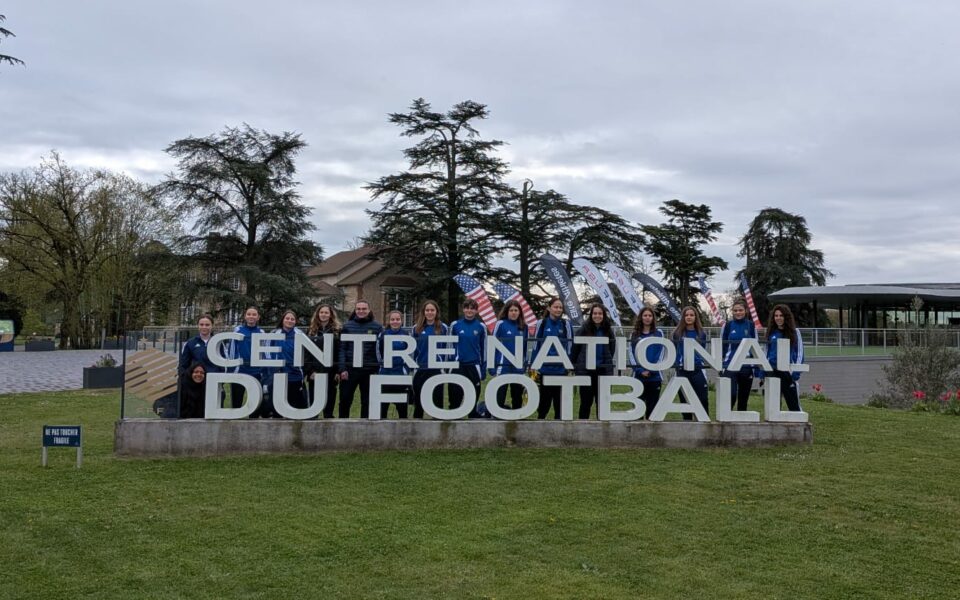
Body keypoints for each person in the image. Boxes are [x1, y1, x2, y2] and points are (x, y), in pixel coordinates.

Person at [338, 300, 383, 418]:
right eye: (358, 309)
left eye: (364, 309)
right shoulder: (347, 326)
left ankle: (365, 425)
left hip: (369, 370)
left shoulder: (377, 327)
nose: (361, 311)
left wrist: (377, 368)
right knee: (345, 399)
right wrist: (342, 368)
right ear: (355, 310)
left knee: (367, 401)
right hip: (350, 370)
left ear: (369, 310)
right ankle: (342, 424)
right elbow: (342, 349)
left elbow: (380, 349)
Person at [571, 303, 617, 419]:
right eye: (595, 313)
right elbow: (575, 349)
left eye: (600, 313)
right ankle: (583, 425)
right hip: (586, 371)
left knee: (602, 403)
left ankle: (602, 427)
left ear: (604, 315)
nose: (597, 316)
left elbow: (611, 349)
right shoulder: (583, 329)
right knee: (585, 403)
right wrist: (574, 366)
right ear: (591, 315)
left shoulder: (608, 331)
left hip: (602, 371)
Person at [532, 297, 574, 419]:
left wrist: (569, 365)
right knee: (544, 404)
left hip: (561, 370)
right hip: (545, 370)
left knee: (559, 404)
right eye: (556, 307)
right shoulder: (541, 323)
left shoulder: (566, 324)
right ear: (549, 308)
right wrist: (534, 365)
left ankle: (559, 427)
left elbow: (570, 346)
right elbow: (535, 344)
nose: (558, 309)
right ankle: (540, 425)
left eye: (560, 307)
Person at [761, 304, 805, 412]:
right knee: (773, 407)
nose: (778, 318)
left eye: (781, 315)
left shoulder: (795, 332)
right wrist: (763, 370)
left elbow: (800, 353)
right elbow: (766, 352)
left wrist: (795, 372)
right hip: (772, 371)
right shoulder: (770, 332)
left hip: (787, 372)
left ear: (786, 317)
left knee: (794, 406)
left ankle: (798, 421)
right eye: (776, 316)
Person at [411, 300, 449, 418]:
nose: (430, 312)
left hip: (437, 369)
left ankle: (438, 427)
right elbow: (412, 350)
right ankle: (417, 426)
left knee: (437, 402)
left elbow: (447, 347)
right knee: (419, 402)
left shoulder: (443, 327)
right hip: (421, 368)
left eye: (432, 310)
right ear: (424, 312)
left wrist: (444, 366)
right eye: (427, 310)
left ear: (436, 312)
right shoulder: (416, 328)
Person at [303, 303, 341, 419]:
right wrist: (310, 371)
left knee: (329, 401)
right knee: (314, 402)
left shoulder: (337, 331)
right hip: (315, 372)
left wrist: (338, 371)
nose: (323, 314)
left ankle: (328, 423)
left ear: (331, 315)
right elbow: (306, 353)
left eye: (326, 312)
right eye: (321, 312)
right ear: (318, 314)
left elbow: (339, 352)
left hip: (331, 372)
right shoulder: (311, 331)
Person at [490, 300, 528, 410]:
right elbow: (492, 345)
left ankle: (516, 418)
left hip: (518, 368)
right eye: (511, 310)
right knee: (499, 397)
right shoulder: (500, 324)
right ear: (507, 311)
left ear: (520, 312)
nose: (514, 313)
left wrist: (525, 365)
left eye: (516, 310)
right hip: (503, 367)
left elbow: (525, 348)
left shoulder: (524, 327)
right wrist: (492, 366)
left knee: (517, 398)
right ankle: (497, 417)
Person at [672, 306, 709, 420]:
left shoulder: (701, 333)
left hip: (697, 369)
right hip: (682, 369)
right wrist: (677, 364)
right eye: (686, 315)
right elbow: (674, 350)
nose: (689, 317)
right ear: (683, 317)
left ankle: (703, 421)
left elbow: (702, 351)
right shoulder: (677, 333)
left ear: (695, 317)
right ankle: (687, 421)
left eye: (691, 315)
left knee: (703, 398)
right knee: (684, 398)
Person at [720, 299, 758, 412]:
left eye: (740, 310)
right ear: (732, 312)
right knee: (730, 395)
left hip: (746, 366)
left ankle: (740, 421)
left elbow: (755, 347)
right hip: (730, 365)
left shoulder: (751, 325)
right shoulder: (728, 325)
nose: (738, 312)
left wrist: (756, 366)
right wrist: (721, 364)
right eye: (735, 310)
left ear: (745, 311)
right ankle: (727, 417)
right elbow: (722, 345)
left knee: (743, 400)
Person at [450, 298, 487, 410]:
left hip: (474, 365)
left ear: (476, 311)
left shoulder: (481, 326)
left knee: (473, 395)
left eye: (472, 308)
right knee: (455, 395)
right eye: (467, 308)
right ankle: (453, 415)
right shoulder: (455, 325)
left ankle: (472, 415)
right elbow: (450, 346)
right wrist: (449, 364)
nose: (469, 310)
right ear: (463, 309)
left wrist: (483, 368)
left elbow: (484, 348)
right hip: (458, 365)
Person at [630, 306, 665, 419]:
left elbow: (661, 353)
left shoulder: (659, 333)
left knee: (652, 411)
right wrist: (640, 370)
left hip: (654, 377)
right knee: (637, 412)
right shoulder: (634, 334)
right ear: (641, 317)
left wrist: (651, 369)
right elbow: (631, 354)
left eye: (650, 315)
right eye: (645, 315)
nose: (647, 317)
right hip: (638, 376)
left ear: (653, 318)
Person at [228, 306, 265, 410]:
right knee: (236, 403)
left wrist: (263, 369)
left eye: (254, 314)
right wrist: (232, 368)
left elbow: (265, 353)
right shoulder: (238, 330)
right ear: (245, 316)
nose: (251, 316)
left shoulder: (261, 332)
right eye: (249, 314)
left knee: (255, 405)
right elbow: (232, 350)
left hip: (256, 372)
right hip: (240, 371)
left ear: (258, 317)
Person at [376, 310, 411, 419]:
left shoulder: (406, 334)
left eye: (397, 319)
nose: (395, 321)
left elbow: (411, 354)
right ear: (389, 321)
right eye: (392, 319)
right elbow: (378, 352)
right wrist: (382, 365)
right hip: (385, 374)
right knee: (382, 407)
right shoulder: (383, 334)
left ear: (401, 321)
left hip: (400, 374)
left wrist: (406, 369)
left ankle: (403, 428)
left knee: (402, 408)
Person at [272, 309, 306, 413]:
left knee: (296, 407)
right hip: (279, 374)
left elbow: (307, 354)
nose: (289, 321)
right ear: (283, 320)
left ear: (295, 321)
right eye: (287, 318)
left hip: (295, 375)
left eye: (292, 319)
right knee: (278, 407)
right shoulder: (274, 334)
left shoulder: (300, 334)